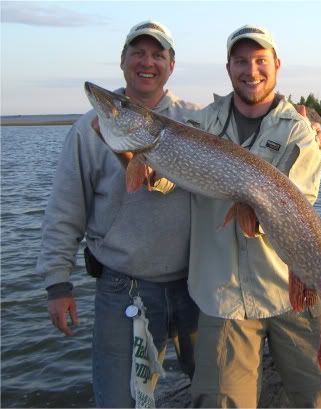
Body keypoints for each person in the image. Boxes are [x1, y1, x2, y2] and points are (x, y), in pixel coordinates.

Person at [186, 24, 321, 408]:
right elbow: (167, 180)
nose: (252, 70)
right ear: (228, 68)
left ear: (277, 64)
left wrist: (254, 204)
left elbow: (297, 201)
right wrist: (134, 159)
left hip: (290, 284)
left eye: (261, 60)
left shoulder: (301, 130)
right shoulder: (199, 124)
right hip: (224, 296)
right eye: (241, 61)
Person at [36, 20, 200, 408]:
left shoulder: (197, 119)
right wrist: (57, 284)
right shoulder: (87, 130)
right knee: (118, 401)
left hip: (196, 285)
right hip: (124, 286)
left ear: (171, 65)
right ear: (123, 61)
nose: (147, 62)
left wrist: (301, 115)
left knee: (219, 392)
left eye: (157, 54)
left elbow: (251, 134)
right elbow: (64, 210)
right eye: (138, 53)